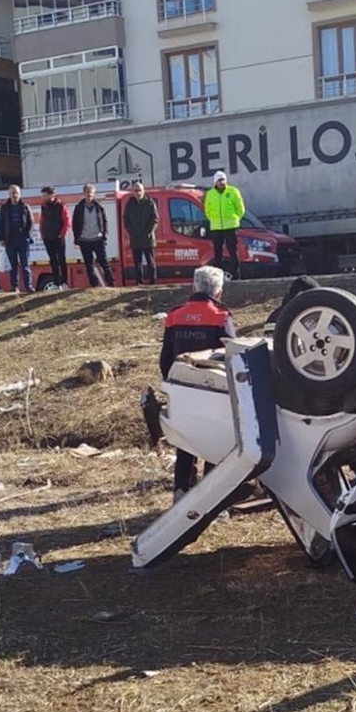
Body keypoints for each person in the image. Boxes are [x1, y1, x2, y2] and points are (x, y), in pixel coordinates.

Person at [159, 265, 236, 502]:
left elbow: (165, 358)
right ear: (219, 291)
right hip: (214, 391)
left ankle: (182, 491)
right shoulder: (221, 316)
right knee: (215, 441)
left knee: (186, 439)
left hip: (182, 387)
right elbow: (232, 356)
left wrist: (171, 383)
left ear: (193, 287)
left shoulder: (174, 315)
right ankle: (211, 499)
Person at [71, 183, 115, 287]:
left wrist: (104, 235)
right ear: (84, 193)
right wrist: (77, 238)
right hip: (84, 240)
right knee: (89, 264)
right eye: (87, 192)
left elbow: (105, 221)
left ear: (94, 193)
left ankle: (111, 283)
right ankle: (94, 284)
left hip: (98, 239)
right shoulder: (79, 208)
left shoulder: (99, 207)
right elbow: (75, 224)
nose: (89, 195)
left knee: (104, 262)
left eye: (91, 192)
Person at [204, 170, 245, 280]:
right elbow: (207, 210)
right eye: (219, 180)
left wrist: (235, 219)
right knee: (217, 253)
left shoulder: (233, 191)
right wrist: (213, 219)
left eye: (223, 180)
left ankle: (236, 276)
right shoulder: (210, 194)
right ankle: (218, 277)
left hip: (231, 227)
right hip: (216, 228)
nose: (221, 182)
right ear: (215, 182)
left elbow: (240, 208)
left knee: (233, 252)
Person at [0, 184, 34, 293]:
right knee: (12, 265)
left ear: (19, 194)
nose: (14, 195)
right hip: (10, 240)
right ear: (9, 194)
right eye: (12, 193)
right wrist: (2, 239)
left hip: (23, 240)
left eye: (16, 193)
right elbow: (1, 224)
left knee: (25, 264)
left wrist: (27, 235)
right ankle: (14, 286)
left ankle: (28, 286)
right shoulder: (4, 208)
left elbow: (30, 222)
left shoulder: (25, 207)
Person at [123, 182, 158, 285]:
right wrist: (131, 232)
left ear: (143, 191)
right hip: (135, 237)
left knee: (150, 261)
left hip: (148, 237)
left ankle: (153, 281)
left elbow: (155, 220)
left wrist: (149, 231)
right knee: (137, 262)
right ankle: (139, 282)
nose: (138, 193)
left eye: (139, 190)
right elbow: (126, 220)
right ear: (132, 192)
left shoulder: (150, 203)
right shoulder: (129, 204)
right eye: (135, 190)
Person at [39, 185, 71, 289]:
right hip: (48, 238)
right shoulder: (43, 206)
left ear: (52, 195)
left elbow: (67, 221)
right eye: (42, 195)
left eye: (45, 195)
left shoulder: (61, 206)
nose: (43, 198)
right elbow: (42, 221)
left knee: (61, 260)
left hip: (58, 238)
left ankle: (64, 283)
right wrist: (43, 234)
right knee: (53, 261)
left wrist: (62, 234)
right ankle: (57, 284)